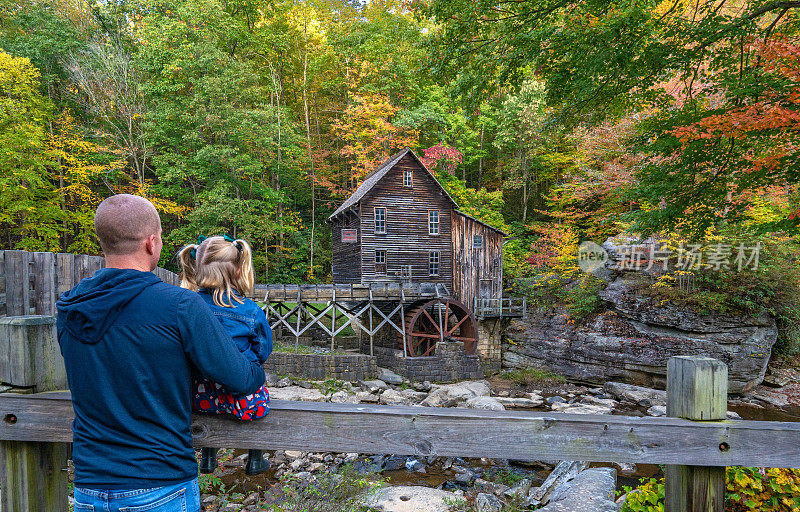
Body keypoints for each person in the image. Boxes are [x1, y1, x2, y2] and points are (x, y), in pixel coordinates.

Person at [57, 194, 265, 512]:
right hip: (160, 483)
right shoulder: (179, 305)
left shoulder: (70, 307)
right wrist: (256, 360)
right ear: (152, 243)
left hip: (89, 486)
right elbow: (241, 378)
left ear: (103, 243)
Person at [178, 235, 273, 475]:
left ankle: (208, 457)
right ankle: (255, 459)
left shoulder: (184, 305)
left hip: (195, 399)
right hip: (240, 402)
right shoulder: (250, 311)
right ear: (238, 271)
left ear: (197, 268)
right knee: (252, 376)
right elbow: (262, 352)